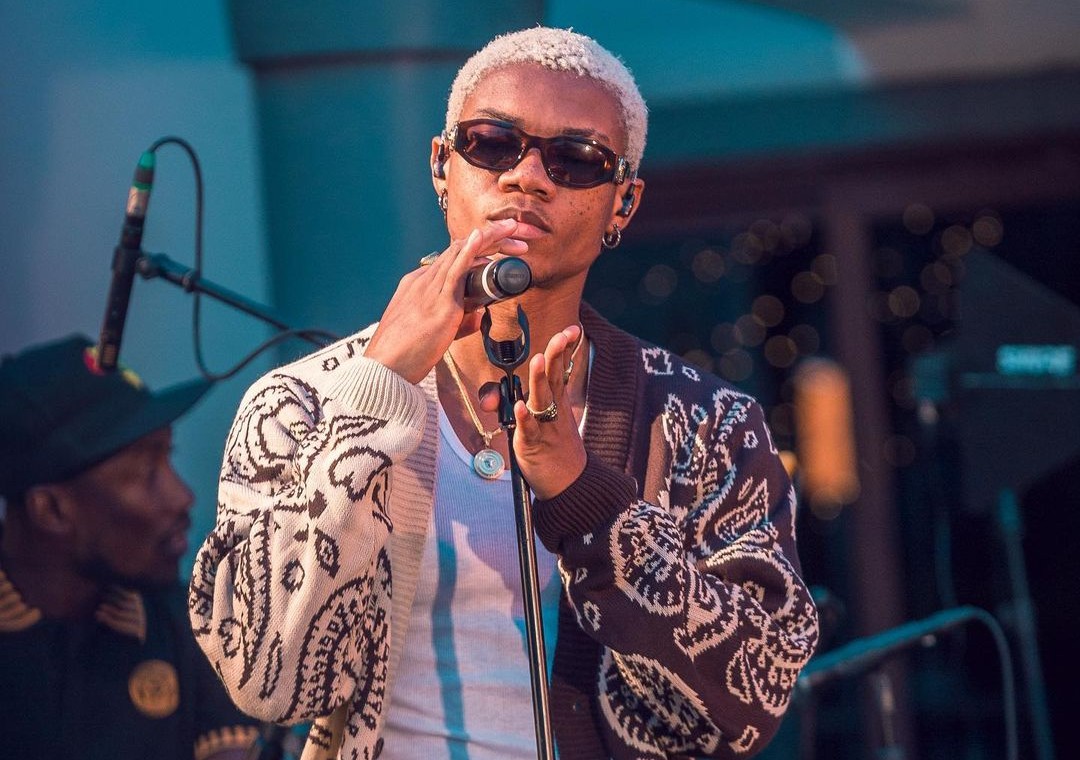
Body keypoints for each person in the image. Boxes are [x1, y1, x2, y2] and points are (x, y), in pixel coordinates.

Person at [189, 26, 819, 760]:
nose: (527, 177)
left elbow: (750, 703)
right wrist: (375, 393)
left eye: (575, 160)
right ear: (441, 164)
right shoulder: (297, 404)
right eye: (492, 144)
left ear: (623, 203)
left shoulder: (708, 425)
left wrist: (585, 498)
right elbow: (265, 679)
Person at [0, 334, 261, 760]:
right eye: (144, 472)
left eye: (168, 457)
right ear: (52, 510)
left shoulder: (194, 627)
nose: (183, 497)